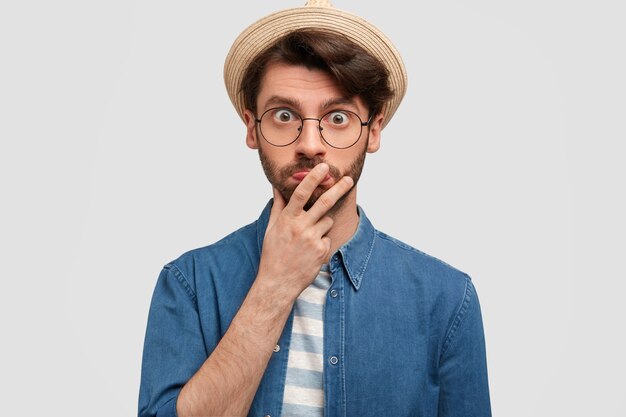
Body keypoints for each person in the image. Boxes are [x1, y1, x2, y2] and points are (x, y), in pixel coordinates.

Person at [138, 1, 491, 416]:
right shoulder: (190, 284)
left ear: (373, 131)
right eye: (284, 115)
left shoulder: (447, 300)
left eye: (337, 117)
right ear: (253, 128)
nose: (309, 144)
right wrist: (274, 285)